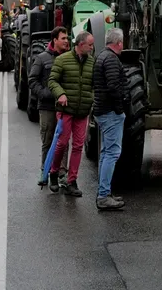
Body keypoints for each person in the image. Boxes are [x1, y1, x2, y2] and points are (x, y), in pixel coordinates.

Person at [47, 29, 96, 196]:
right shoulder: (62, 60)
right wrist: (60, 94)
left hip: (82, 111)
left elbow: (93, 85)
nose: (92, 48)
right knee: (62, 143)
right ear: (81, 45)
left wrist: (92, 99)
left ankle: (71, 180)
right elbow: (52, 81)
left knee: (78, 146)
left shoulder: (91, 62)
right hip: (66, 110)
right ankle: (53, 172)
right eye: (89, 45)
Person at [91, 28, 129, 210]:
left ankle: (104, 191)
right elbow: (114, 87)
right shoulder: (112, 59)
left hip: (101, 110)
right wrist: (120, 109)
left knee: (106, 152)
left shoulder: (101, 56)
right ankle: (104, 195)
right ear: (119, 43)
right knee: (112, 153)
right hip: (110, 112)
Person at [29, 26, 69, 186]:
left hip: (65, 107)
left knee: (64, 141)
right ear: (55, 40)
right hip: (47, 107)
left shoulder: (69, 58)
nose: (66, 41)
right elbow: (32, 80)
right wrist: (46, 94)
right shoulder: (42, 58)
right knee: (47, 140)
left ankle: (62, 173)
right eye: (63, 38)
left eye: (67, 38)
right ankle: (44, 170)